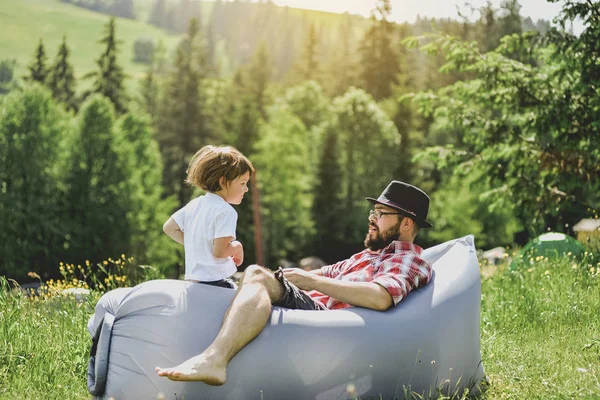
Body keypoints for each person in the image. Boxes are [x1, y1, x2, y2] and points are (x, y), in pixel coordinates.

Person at [156, 180, 434, 385]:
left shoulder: (409, 259)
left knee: (255, 274)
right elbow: (324, 274)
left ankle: (214, 360)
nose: (371, 220)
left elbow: (380, 296)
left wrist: (308, 278)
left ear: (406, 224)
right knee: (251, 278)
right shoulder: (366, 256)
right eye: (372, 212)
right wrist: (289, 278)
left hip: (327, 322)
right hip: (312, 308)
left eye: (380, 214)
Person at [163, 145, 254, 289]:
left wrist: (196, 243)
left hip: (193, 283)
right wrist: (237, 247)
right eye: (242, 183)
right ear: (223, 182)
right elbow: (220, 251)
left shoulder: (194, 204)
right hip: (215, 283)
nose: (246, 189)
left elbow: (169, 228)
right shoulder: (226, 212)